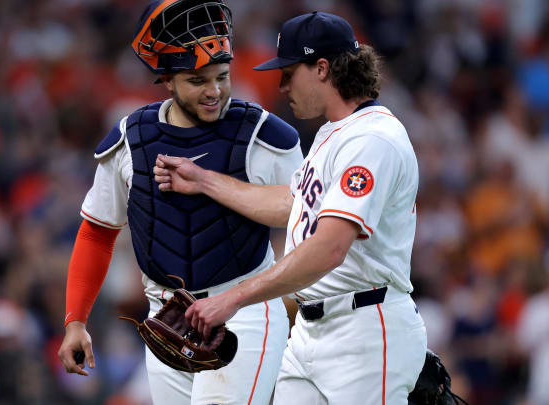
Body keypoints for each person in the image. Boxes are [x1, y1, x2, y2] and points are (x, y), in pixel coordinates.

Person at [154, 11, 428, 404]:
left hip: (366, 332)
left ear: (321, 68)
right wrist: (203, 181)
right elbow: (292, 204)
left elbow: (330, 246)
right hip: (310, 334)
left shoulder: (373, 139)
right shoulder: (333, 132)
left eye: (288, 71)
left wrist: (231, 298)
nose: (280, 85)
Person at [57, 1, 303, 404]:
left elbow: (305, 213)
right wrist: (75, 320)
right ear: (167, 81)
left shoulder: (263, 134)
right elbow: (97, 233)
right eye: (197, 79)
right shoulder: (131, 140)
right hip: (167, 319)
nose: (214, 91)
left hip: (244, 312)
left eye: (222, 76)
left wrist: (208, 182)